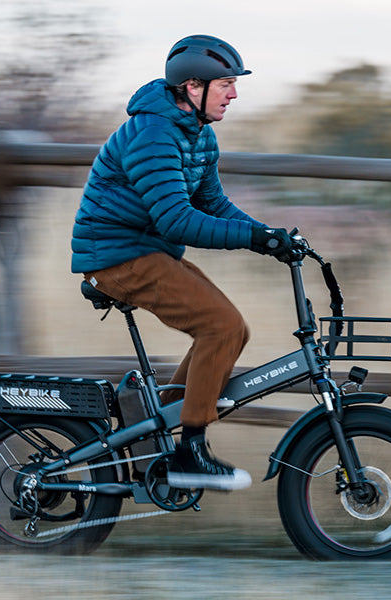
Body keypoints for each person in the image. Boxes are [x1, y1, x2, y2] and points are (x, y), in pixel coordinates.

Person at [71, 34, 294, 491]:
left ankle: (161, 432)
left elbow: (212, 202)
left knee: (232, 329)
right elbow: (176, 220)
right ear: (193, 87)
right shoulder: (152, 134)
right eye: (226, 83)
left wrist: (269, 237)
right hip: (118, 256)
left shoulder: (198, 134)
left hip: (145, 252)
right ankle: (189, 450)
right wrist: (253, 238)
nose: (234, 93)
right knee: (222, 326)